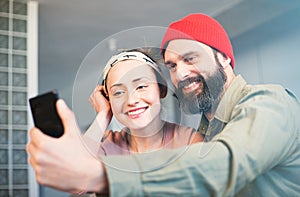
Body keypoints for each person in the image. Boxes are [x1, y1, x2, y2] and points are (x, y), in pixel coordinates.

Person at [26, 13, 300, 196]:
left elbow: (225, 163)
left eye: (190, 58)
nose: (180, 73)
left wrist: (100, 175)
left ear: (224, 58)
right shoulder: (209, 129)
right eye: (171, 65)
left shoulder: (270, 103)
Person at [83, 48, 203, 156]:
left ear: (161, 89)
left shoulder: (188, 140)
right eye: (118, 92)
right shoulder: (106, 144)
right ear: (108, 99)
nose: (131, 100)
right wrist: (103, 114)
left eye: (141, 87)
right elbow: (73, 169)